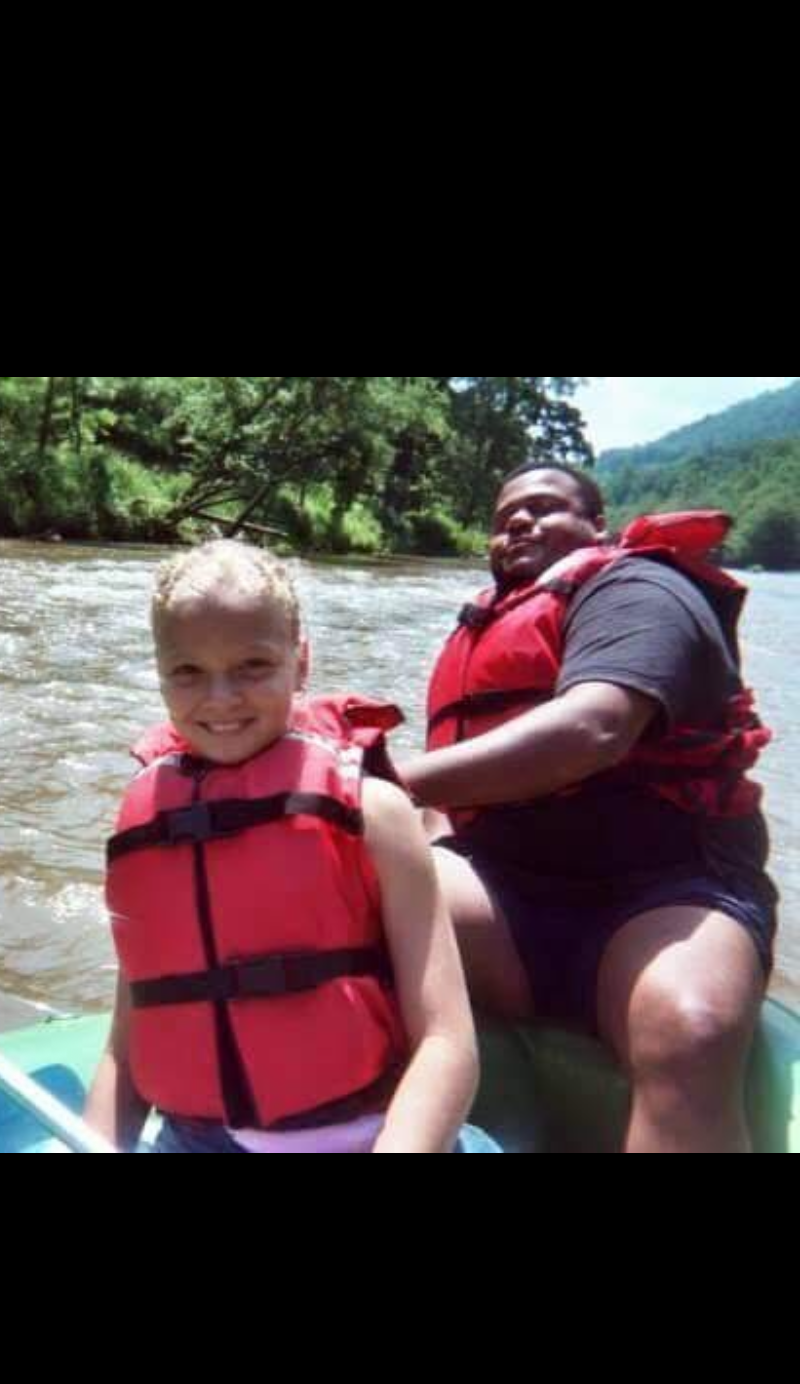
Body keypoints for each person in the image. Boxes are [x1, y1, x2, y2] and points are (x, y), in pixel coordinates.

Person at [398, 466, 778, 1154]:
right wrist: (426, 855)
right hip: (509, 896)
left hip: (665, 891)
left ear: (596, 527)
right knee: (340, 925)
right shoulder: (481, 630)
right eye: (505, 513)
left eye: (544, 508)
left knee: (689, 1030)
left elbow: (593, 731)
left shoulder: (641, 589)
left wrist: (377, 782)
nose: (517, 522)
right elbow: (444, 804)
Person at [85, 541, 492, 1154]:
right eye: (188, 671)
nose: (220, 699)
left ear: (300, 663)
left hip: (376, 1135)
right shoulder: (150, 821)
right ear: (160, 670)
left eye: (253, 665)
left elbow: (447, 1041)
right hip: (201, 1140)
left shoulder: (375, 813)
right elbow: (129, 1041)